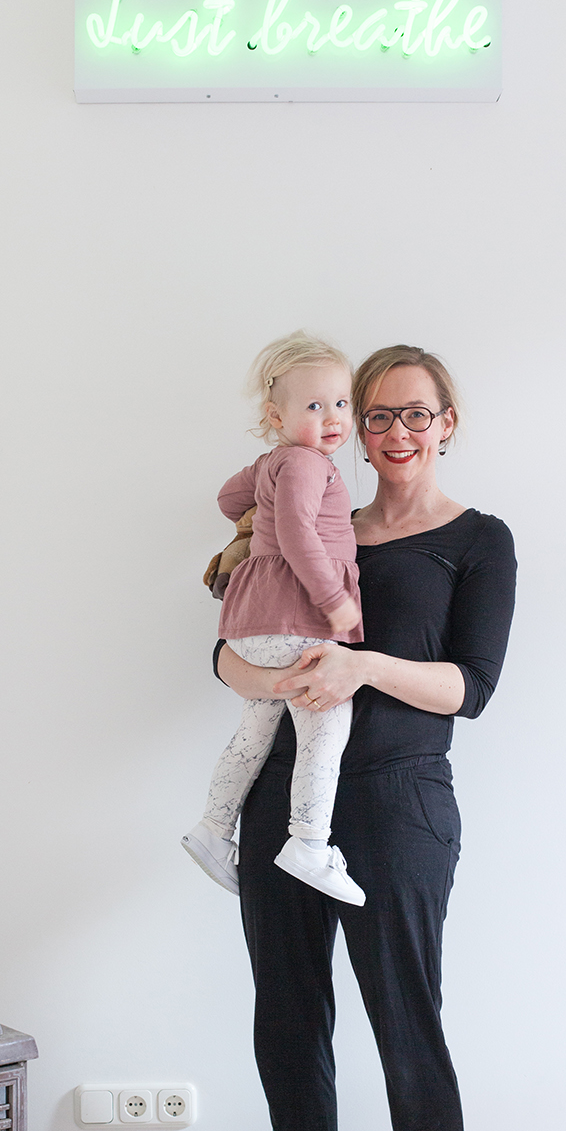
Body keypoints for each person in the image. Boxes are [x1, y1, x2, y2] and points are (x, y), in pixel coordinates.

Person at [201, 344, 517, 1131]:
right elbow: (229, 644)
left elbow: (469, 687)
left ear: (447, 421)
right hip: (285, 801)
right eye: (376, 415)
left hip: (398, 803)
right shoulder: (311, 511)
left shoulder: (475, 539)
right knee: (286, 1018)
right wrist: (257, 677)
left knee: (402, 1025)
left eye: (414, 414)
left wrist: (361, 662)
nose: (392, 432)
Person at [182, 331, 366, 906]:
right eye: (314, 406)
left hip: (252, 622)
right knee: (325, 725)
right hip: (297, 616)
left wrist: (258, 511)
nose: (333, 417)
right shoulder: (310, 464)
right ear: (275, 414)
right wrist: (333, 599)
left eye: (341, 403)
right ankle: (309, 842)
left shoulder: (270, 463)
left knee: (256, 726)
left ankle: (214, 829)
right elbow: (295, 533)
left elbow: (225, 499)